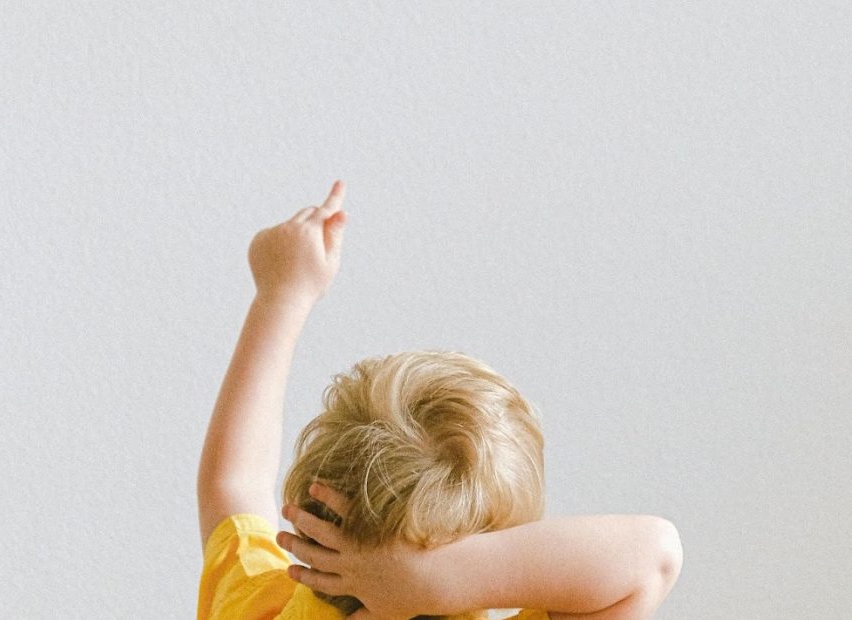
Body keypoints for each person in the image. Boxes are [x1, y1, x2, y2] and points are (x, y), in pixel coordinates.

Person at [196, 180, 683, 620]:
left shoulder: (254, 608)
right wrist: (429, 581)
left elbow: (232, 481)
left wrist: (281, 296)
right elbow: (655, 555)